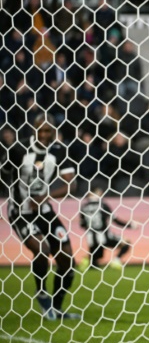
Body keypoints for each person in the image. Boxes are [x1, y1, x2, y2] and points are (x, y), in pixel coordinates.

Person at [1, 114, 79, 320]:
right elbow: (3, 173)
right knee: (42, 248)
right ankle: (42, 295)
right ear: (34, 129)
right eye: (40, 130)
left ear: (53, 132)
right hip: (21, 212)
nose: (44, 135)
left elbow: (71, 184)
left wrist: (46, 196)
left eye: (48, 131)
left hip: (44, 212)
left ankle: (56, 308)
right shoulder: (18, 149)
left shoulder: (59, 151)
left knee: (67, 260)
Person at [78, 186, 136, 271]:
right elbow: (116, 220)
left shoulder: (84, 207)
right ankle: (116, 260)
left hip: (91, 239)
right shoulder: (103, 205)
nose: (101, 194)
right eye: (99, 192)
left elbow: (82, 224)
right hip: (105, 236)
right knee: (126, 243)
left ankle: (88, 260)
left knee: (96, 262)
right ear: (92, 193)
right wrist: (130, 225)